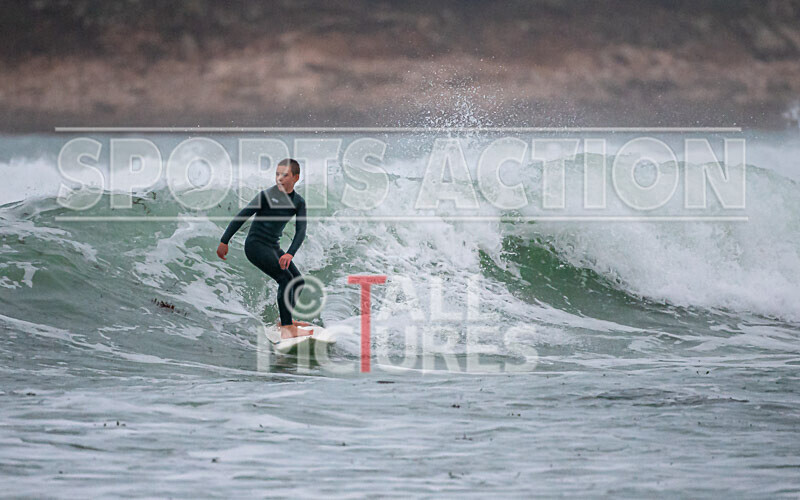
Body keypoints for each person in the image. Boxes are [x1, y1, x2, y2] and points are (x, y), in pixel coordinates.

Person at [216, 158, 313, 339]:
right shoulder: (266, 196)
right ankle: (286, 327)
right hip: (255, 246)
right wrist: (224, 241)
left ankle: (287, 321)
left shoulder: (298, 202)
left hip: (273, 246)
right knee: (285, 278)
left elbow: (301, 231)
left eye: (285, 175)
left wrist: (290, 253)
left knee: (298, 281)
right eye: (277, 174)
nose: (279, 178)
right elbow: (242, 215)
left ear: (296, 177)